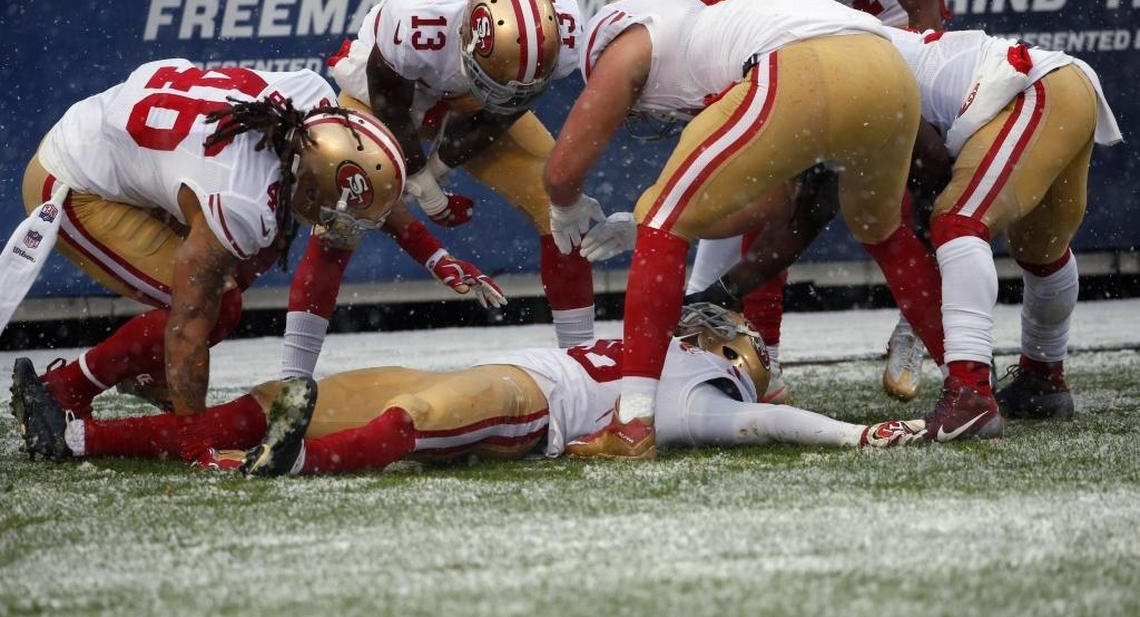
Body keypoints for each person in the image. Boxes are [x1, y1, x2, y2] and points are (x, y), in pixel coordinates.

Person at [543, 0, 946, 459]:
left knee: (663, 226)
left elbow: (563, 169)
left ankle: (632, 423)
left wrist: (565, 203)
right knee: (884, 232)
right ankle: (972, 391)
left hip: (802, 63)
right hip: (887, 66)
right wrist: (652, 215)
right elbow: (772, 203)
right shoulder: (715, 17)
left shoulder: (625, 36)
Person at [685, 27, 1123, 428]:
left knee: (957, 222)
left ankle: (970, 392)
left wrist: (931, 240)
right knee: (1039, 251)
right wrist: (722, 293)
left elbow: (928, 157)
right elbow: (806, 217)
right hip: (1057, 87)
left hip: (1028, 91)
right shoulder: (816, 64)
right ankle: (1043, 380)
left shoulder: (820, 73)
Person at [8, 58, 406, 462]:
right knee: (213, 308)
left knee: (241, 268)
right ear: (312, 184)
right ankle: (65, 387)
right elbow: (188, 328)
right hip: (73, 180)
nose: (345, 228)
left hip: (123, 134)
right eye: (343, 215)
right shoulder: (242, 199)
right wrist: (197, 447)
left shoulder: (311, 100)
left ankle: (144, 372)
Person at [13, 304, 926, 469]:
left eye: (746, 338)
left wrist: (853, 436)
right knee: (300, 392)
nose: (729, 329)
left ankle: (289, 468)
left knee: (440, 407)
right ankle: (81, 437)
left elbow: (763, 430)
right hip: (527, 372)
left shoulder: (710, 398)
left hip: (533, 409)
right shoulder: (664, 347)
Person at [282, 0, 594, 384]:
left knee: (558, 205)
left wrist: (437, 170)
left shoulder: (559, 26)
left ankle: (584, 368)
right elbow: (389, 100)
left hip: (475, 90)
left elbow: (507, 106)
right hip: (386, 90)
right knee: (339, 220)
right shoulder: (416, 20)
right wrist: (420, 180)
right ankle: (292, 381)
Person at [685, 0, 949, 404]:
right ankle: (763, 353)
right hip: (798, 47)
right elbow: (733, 24)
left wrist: (879, 74)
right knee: (773, 187)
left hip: (888, 43)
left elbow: (924, 16)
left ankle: (950, 348)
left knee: (918, 198)